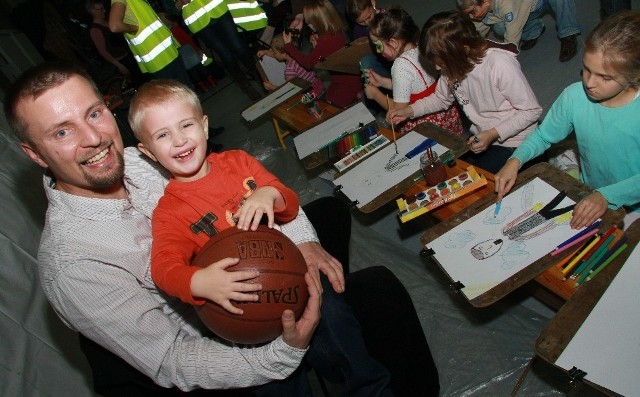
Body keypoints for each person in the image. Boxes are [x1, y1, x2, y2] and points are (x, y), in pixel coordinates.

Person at [6, 62, 441, 396]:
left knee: (328, 213)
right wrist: (282, 352)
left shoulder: (144, 157)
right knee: (380, 295)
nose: (94, 139)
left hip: (253, 262)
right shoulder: (74, 265)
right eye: (62, 132)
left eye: (94, 113)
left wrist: (304, 245)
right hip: (221, 340)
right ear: (35, 154)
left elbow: (255, 187)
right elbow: (178, 359)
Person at [128, 79, 301, 309]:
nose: (180, 140)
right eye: (162, 135)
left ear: (205, 126)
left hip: (287, 267)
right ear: (148, 152)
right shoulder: (170, 213)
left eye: (186, 125)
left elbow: (291, 206)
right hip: (245, 301)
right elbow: (163, 269)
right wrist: (197, 282)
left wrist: (269, 193)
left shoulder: (239, 161)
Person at [494, 10, 640, 231]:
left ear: (634, 76)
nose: (589, 83)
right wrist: (515, 161)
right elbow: (544, 135)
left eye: (605, 77)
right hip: (592, 189)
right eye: (587, 70)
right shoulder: (574, 95)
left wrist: (606, 195)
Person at [388, 11, 542, 174]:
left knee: (472, 178)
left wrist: (492, 134)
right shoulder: (453, 64)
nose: (438, 68)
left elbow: (532, 110)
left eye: (441, 62)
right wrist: (408, 111)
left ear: (464, 49)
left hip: (518, 141)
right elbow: (440, 99)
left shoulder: (499, 64)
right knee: (451, 168)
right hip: (485, 137)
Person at [363, 7, 464, 136]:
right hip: (445, 117)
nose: (377, 51)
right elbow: (414, 84)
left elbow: (399, 110)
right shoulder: (421, 47)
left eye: (378, 46)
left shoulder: (400, 66)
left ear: (393, 42)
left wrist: (375, 94)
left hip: (425, 126)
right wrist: (383, 82)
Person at [176, 0, 263, 101]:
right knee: (226, 55)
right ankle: (246, 86)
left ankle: (262, 78)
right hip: (198, 22)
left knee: (239, 47)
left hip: (219, 9)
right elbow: (171, 10)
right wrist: (179, 4)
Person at [283, 0, 362, 108]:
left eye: (309, 21)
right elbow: (325, 59)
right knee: (327, 98)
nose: (308, 24)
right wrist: (318, 47)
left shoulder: (326, 40)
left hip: (346, 83)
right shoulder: (336, 31)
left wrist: (289, 47)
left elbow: (308, 64)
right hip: (347, 77)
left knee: (330, 107)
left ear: (316, 22)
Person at [457, 0, 581, 62]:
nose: (471, 17)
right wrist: (466, 56)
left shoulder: (507, 4)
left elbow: (512, 37)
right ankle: (534, 30)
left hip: (539, 2)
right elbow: (476, 34)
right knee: (500, 27)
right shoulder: (480, 8)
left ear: (486, 2)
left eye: (472, 12)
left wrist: (506, 65)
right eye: (468, 14)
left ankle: (568, 33)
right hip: (524, 7)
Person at [108, 0, 193, 87]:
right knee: (182, 91)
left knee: (183, 90)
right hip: (159, 58)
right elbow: (115, 26)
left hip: (164, 53)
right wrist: (134, 29)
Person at [86, 0, 143, 86]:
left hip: (129, 54)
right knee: (138, 82)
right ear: (92, 11)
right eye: (100, 9)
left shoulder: (108, 22)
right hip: (122, 60)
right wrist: (119, 65)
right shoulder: (95, 30)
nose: (104, 11)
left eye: (103, 8)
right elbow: (103, 51)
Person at [256, 35, 325, 95]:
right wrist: (266, 52)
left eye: (274, 52)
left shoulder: (289, 70)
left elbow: (289, 90)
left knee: (304, 106)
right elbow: (281, 54)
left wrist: (271, 87)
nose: (273, 54)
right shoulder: (298, 55)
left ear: (283, 52)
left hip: (310, 94)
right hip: (319, 85)